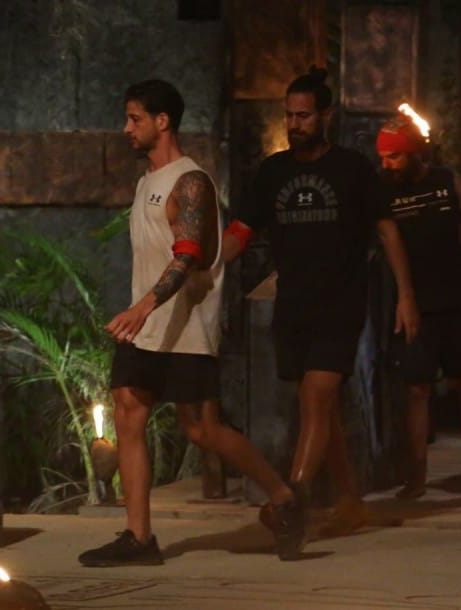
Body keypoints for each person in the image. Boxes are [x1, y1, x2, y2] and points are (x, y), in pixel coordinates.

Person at [78, 79, 301, 566]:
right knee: (128, 409)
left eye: (135, 118)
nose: (126, 128)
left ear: (162, 122)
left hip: (184, 326)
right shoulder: (147, 182)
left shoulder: (190, 181)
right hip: (147, 327)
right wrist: (141, 312)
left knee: (202, 429)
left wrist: (143, 306)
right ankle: (139, 537)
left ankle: (284, 498)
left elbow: (187, 257)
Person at [222, 68, 420, 541]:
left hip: (340, 302)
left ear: (325, 116)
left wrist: (406, 295)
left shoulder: (352, 169)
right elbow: (241, 231)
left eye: (304, 116)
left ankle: (293, 500)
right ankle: (350, 501)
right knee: (320, 408)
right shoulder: (273, 172)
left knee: (316, 397)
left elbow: (387, 230)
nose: (295, 124)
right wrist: (200, 266)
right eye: (289, 116)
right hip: (293, 305)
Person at [375, 115, 461, 497]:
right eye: (383, 157)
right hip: (414, 303)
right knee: (417, 390)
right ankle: (416, 477)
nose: (388, 164)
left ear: (414, 153)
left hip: (456, 298)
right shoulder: (384, 191)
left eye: (395, 157)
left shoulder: (447, 181)